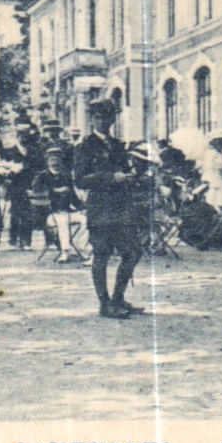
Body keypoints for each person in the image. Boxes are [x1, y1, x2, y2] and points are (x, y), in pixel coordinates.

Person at [73, 98, 148, 318]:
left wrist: (132, 177)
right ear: (92, 119)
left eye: (108, 116)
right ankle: (105, 303)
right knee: (102, 255)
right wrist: (110, 178)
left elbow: (124, 170)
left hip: (122, 206)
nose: (104, 121)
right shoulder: (84, 147)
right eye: (99, 116)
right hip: (101, 208)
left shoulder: (118, 145)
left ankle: (118, 298)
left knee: (132, 252)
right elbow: (80, 180)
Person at [31, 144, 84, 262]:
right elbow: (37, 192)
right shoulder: (41, 176)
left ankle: (78, 246)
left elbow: (73, 197)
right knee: (62, 221)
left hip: (67, 211)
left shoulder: (65, 176)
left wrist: (82, 208)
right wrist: (54, 191)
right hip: (48, 214)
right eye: (52, 159)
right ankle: (64, 252)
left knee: (87, 219)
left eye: (58, 159)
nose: (55, 162)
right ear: (47, 161)